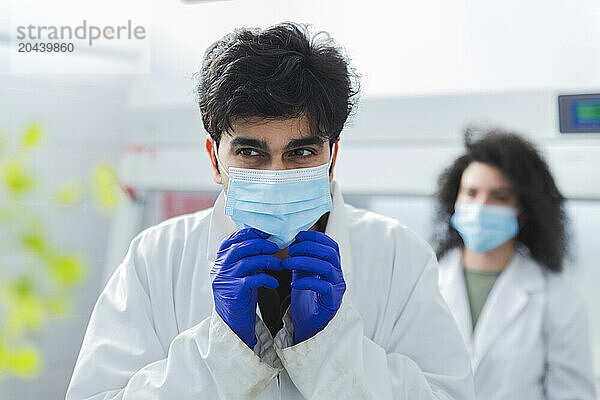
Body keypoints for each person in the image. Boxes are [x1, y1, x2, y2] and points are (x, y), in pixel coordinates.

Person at [66, 22, 474, 399]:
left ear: (331, 159)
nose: (276, 173)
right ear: (214, 159)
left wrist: (331, 347)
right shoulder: (157, 257)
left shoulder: (398, 255)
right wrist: (222, 348)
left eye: (300, 152)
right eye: (250, 152)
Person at [434, 128, 597, 399]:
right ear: (454, 200)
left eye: (499, 196)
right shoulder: (424, 282)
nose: (481, 206)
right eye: (471, 193)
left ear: (523, 212)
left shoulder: (557, 300)